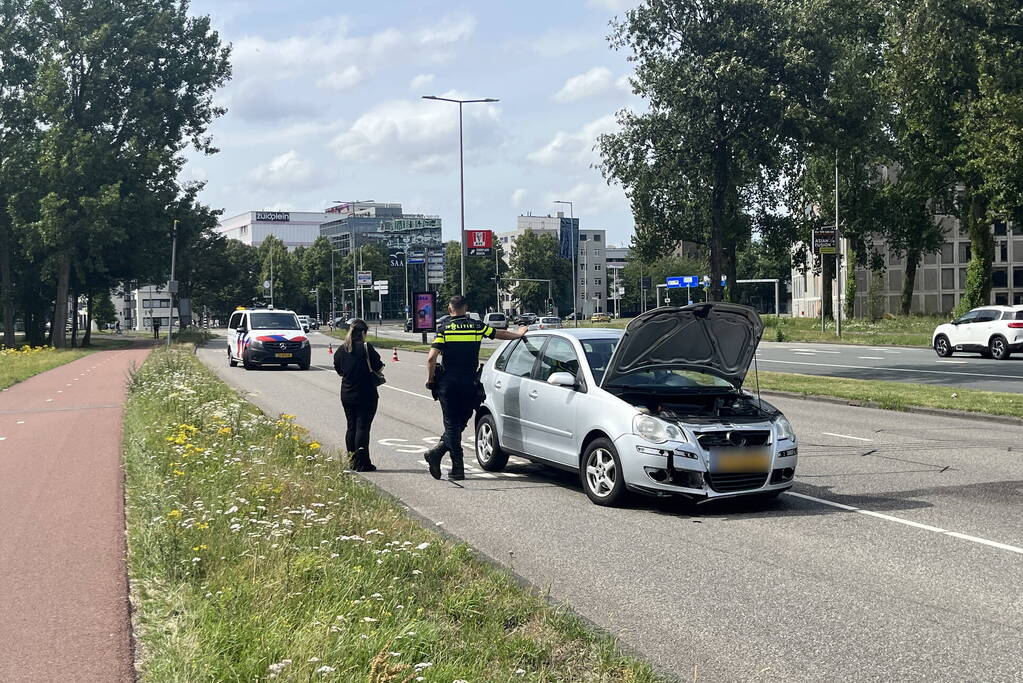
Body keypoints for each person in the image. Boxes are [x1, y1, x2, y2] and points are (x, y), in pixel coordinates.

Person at [424, 295, 527, 480]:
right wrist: (518, 335)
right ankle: (451, 464)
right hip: (469, 383)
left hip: (448, 383)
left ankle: (443, 458)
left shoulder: (444, 329)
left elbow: (431, 358)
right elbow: (499, 334)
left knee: (451, 425)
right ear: (466, 308)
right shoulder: (477, 326)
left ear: (450, 310)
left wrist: (431, 379)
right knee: (460, 423)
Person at [333, 318, 384, 472]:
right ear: (363, 332)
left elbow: (339, 369)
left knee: (351, 427)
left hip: (347, 393)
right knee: (363, 428)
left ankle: (352, 461)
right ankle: (363, 463)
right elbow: (379, 366)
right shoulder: (366, 348)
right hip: (366, 393)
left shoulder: (342, 349)